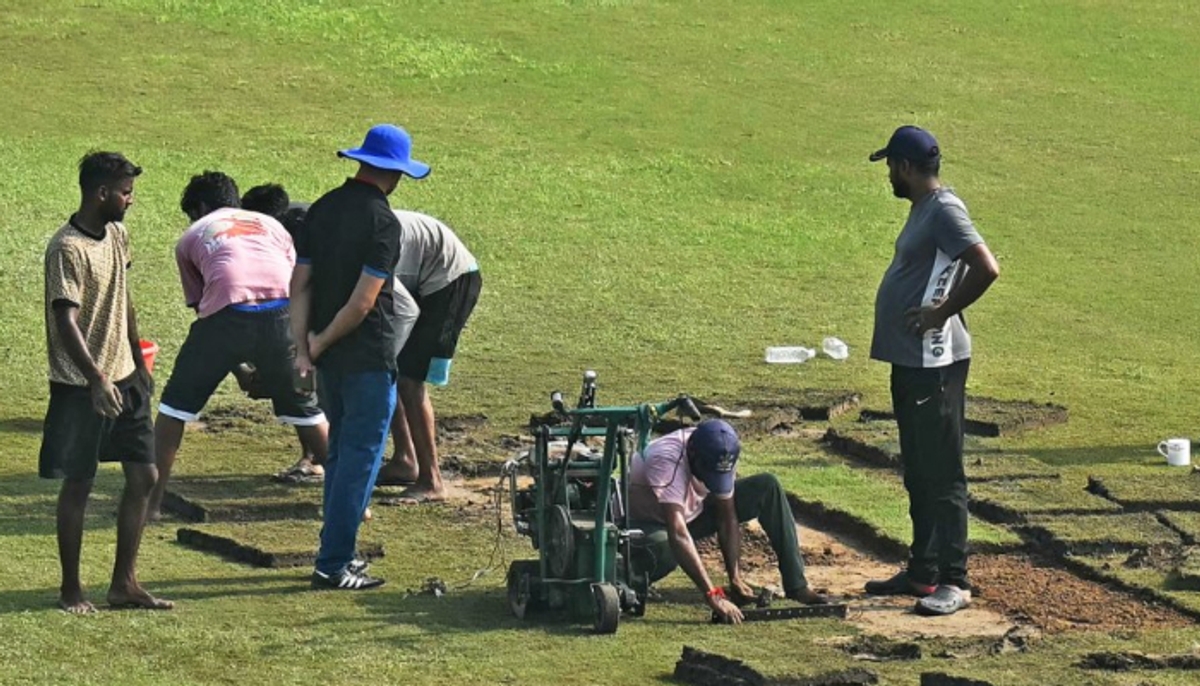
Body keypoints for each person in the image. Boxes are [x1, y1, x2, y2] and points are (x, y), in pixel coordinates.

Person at [864, 125, 1000, 616]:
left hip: (936, 363)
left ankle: (955, 581)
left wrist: (940, 314)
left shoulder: (944, 209)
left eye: (889, 167)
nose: (887, 177)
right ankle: (922, 570)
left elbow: (986, 266)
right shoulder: (924, 210)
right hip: (911, 360)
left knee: (943, 473)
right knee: (919, 471)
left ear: (904, 166)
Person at [292, 124, 429, 590]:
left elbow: (300, 285)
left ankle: (335, 553)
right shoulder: (383, 222)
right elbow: (363, 302)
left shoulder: (322, 209)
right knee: (360, 460)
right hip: (366, 355)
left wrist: (304, 346)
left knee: (340, 458)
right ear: (395, 173)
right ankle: (333, 563)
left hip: (328, 360)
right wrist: (323, 341)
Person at [146, 172, 329, 521]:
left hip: (227, 313)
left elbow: (209, 310)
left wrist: (241, 369)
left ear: (200, 208)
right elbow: (292, 281)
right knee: (307, 409)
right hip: (285, 312)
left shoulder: (191, 237)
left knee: (174, 409)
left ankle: (149, 504)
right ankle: (353, 504)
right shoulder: (272, 224)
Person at [40, 151, 172, 613]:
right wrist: (96, 378)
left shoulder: (117, 234)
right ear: (101, 193)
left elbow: (124, 297)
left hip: (125, 376)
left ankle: (124, 585)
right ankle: (71, 590)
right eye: (125, 192)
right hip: (81, 386)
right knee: (79, 483)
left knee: (145, 475)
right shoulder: (66, 248)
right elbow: (65, 319)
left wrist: (137, 361)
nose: (130, 201)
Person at [628, 419, 828, 625]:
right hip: (644, 525)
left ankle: (797, 586)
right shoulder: (665, 459)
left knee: (767, 486)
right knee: (666, 545)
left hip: (691, 514)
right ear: (693, 455)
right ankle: (629, 581)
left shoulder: (723, 450)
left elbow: (727, 515)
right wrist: (713, 594)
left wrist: (735, 577)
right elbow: (677, 532)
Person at [375, 210, 482, 503]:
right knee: (392, 371)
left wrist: (388, 357)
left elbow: (407, 310)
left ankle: (431, 480)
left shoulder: (367, 245)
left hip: (451, 278)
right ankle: (405, 460)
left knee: (408, 380)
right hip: (418, 277)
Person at [237, 184, 323, 484]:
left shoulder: (299, 228)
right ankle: (312, 455)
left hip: (321, 307)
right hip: (298, 308)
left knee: (306, 381)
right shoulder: (274, 227)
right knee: (300, 379)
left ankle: (317, 459)